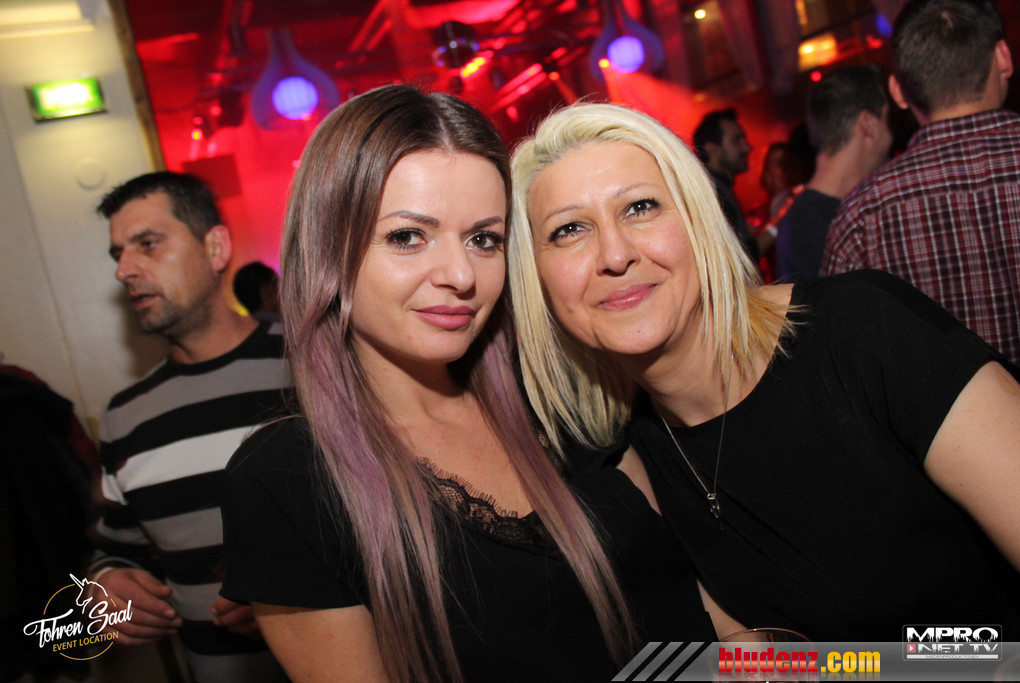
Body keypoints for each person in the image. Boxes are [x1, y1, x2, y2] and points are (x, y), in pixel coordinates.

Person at [219, 85, 729, 683]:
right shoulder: (286, 478)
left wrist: (824, 668)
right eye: (408, 237)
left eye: (483, 239)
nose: (461, 275)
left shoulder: (559, 390)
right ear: (328, 249)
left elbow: (719, 618)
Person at [507, 101, 1020, 641]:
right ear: (537, 279)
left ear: (700, 221)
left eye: (640, 207)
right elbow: (750, 647)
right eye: (569, 229)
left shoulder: (863, 332)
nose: (615, 255)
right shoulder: (624, 453)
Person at [91, 172, 290, 682]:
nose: (123, 271)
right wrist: (108, 583)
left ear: (215, 247)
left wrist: (301, 596)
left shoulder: (315, 368)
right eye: (118, 253)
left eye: (148, 244)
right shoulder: (124, 418)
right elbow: (116, 547)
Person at [823, 0, 1020, 365]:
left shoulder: (863, 216)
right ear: (1003, 57)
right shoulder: (864, 214)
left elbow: (845, 362)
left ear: (897, 91)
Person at [776, 65, 892, 281]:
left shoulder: (808, 221)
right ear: (868, 123)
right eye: (887, 119)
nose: (891, 135)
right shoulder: (807, 229)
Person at [693, 109, 775, 266]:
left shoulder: (718, 185)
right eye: (737, 140)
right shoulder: (711, 191)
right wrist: (779, 223)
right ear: (712, 148)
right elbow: (738, 259)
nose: (747, 147)